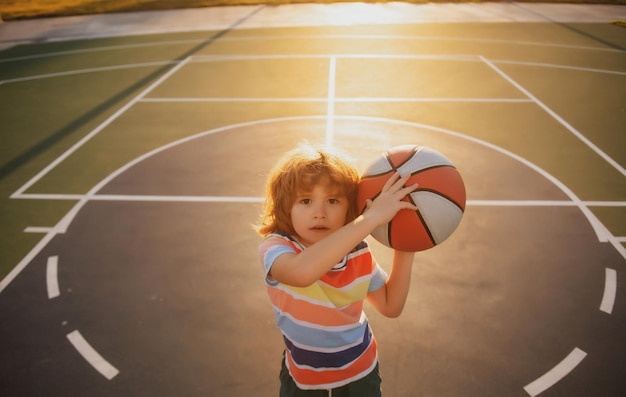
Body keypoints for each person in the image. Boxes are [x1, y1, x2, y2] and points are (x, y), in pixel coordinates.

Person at [256, 143, 418, 397]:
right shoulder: (277, 248)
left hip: (360, 374)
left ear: (349, 207)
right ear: (285, 206)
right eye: (306, 201)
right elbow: (301, 274)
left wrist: (407, 243)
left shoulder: (358, 253)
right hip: (304, 380)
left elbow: (390, 306)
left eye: (332, 201)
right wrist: (371, 218)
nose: (319, 213)